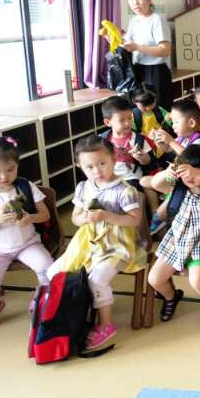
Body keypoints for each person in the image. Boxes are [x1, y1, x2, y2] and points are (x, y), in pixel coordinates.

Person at [47, 135, 145, 351]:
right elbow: (75, 218)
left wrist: (108, 216)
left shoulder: (125, 190)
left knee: (97, 279)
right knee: (54, 271)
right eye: (89, 167)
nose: (97, 171)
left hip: (117, 245)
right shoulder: (84, 187)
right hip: (88, 242)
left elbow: (134, 220)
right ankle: (56, 308)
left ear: (113, 159)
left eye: (102, 163)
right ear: (79, 166)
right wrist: (85, 218)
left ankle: (106, 324)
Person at [0, 137, 53, 329]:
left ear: (17, 164)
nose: (4, 176)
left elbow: (45, 214)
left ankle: (40, 297)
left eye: (10, 169)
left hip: (28, 244)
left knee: (48, 270)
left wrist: (30, 218)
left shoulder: (26, 187)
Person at [147, 145, 200, 330]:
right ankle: (171, 297)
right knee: (154, 279)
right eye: (186, 171)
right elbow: (155, 184)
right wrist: (168, 172)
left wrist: (197, 173)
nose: (190, 177)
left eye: (196, 172)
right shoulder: (178, 188)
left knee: (197, 280)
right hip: (176, 242)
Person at [122, 0, 172, 109]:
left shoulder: (156, 20)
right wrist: (111, 38)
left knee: (158, 110)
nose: (135, 3)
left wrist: (138, 47)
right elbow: (126, 44)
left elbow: (165, 50)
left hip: (156, 72)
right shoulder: (133, 21)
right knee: (140, 111)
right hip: (138, 69)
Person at [100, 96, 154, 191]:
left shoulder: (138, 139)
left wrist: (145, 159)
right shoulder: (102, 140)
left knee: (127, 192)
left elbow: (151, 164)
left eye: (130, 118)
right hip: (109, 178)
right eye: (121, 120)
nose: (127, 123)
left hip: (132, 178)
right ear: (108, 122)